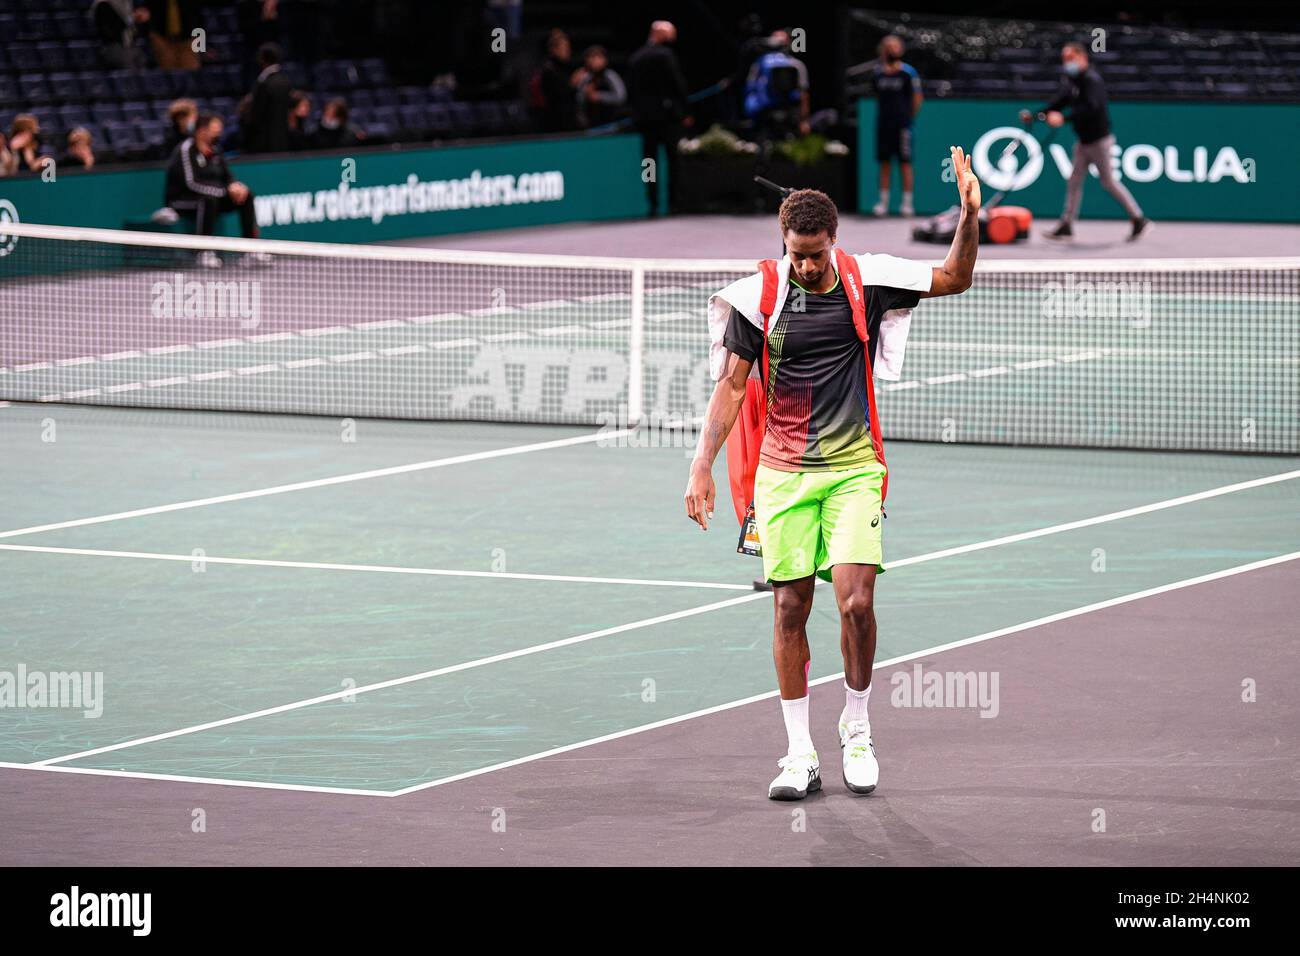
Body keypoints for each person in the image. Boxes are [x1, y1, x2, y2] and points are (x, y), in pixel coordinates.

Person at [685, 148, 982, 801]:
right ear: (783, 244)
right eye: (797, 254)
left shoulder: (867, 281)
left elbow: (955, 277)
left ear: (833, 241)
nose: (808, 264)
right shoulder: (757, 298)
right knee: (789, 607)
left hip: (853, 470)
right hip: (782, 475)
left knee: (857, 603)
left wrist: (968, 213)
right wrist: (701, 464)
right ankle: (798, 754)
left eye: (816, 252)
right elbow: (732, 388)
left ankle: (857, 727)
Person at [1023, 41, 1150, 241]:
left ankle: (1138, 218)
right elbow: (1060, 101)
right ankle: (1066, 224)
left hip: (1100, 141)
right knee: (1074, 181)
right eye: (1064, 59)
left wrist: (1063, 119)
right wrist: (1035, 114)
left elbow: (1091, 108)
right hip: (1083, 142)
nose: (1067, 63)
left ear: (1082, 58)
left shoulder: (1092, 80)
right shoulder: (1072, 80)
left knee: (1108, 182)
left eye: (1071, 59)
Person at [164, 113, 263, 258]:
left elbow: (227, 176)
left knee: (247, 196)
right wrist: (225, 191)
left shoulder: (215, 150)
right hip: (181, 200)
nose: (219, 131)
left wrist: (235, 186)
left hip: (212, 197)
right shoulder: (186, 149)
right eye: (215, 128)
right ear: (202, 130)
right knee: (208, 200)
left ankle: (250, 250)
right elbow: (191, 183)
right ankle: (203, 252)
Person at [627, 20, 691, 216]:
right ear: (660, 34)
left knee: (649, 163)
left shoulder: (635, 57)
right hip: (667, 118)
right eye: (670, 35)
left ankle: (652, 203)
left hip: (644, 119)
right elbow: (676, 83)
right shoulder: (665, 56)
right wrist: (686, 110)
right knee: (673, 161)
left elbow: (630, 90)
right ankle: (674, 203)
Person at [867, 35, 922, 217]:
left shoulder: (908, 73)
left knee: (905, 163)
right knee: (884, 163)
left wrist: (907, 119)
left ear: (901, 49)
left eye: (895, 46)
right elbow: (877, 97)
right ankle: (882, 203)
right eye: (888, 47)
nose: (892, 50)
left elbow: (917, 99)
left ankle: (907, 204)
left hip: (903, 126)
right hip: (884, 126)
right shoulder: (877, 74)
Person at [742, 29, 811, 141]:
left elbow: (803, 95)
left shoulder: (796, 65)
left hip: (789, 115)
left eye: (781, 41)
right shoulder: (759, 64)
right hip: (763, 115)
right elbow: (750, 88)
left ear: (788, 43)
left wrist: (803, 121)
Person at [244, 42, 293, 153]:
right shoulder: (286, 81)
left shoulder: (264, 84)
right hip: (283, 141)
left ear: (262, 59)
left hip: (264, 144)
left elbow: (256, 116)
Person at [530, 28, 578, 132]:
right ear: (554, 50)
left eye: (568, 48)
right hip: (554, 122)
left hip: (564, 119)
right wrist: (573, 85)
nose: (568, 52)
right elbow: (557, 96)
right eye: (565, 49)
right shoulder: (548, 70)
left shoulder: (564, 67)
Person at [572, 45, 627, 129]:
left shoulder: (610, 75)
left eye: (598, 57)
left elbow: (621, 97)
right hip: (591, 123)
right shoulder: (585, 78)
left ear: (605, 60)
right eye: (591, 57)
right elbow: (579, 100)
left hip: (611, 122)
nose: (594, 61)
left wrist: (599, 96)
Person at [142, 0, 203, 70]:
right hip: (162, 38)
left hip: (188, 39)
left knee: (190, 75)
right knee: (168, 75)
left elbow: (198, 15)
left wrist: (201, 42)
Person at [91, 0, 148, 69]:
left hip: (129, 46)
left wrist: (137, 19)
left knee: (141, 59)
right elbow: (111, 31)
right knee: (128, 59)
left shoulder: (126, 3)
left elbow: (133, 31)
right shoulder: (103, 4)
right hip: (112, 47)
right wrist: (133, 18)